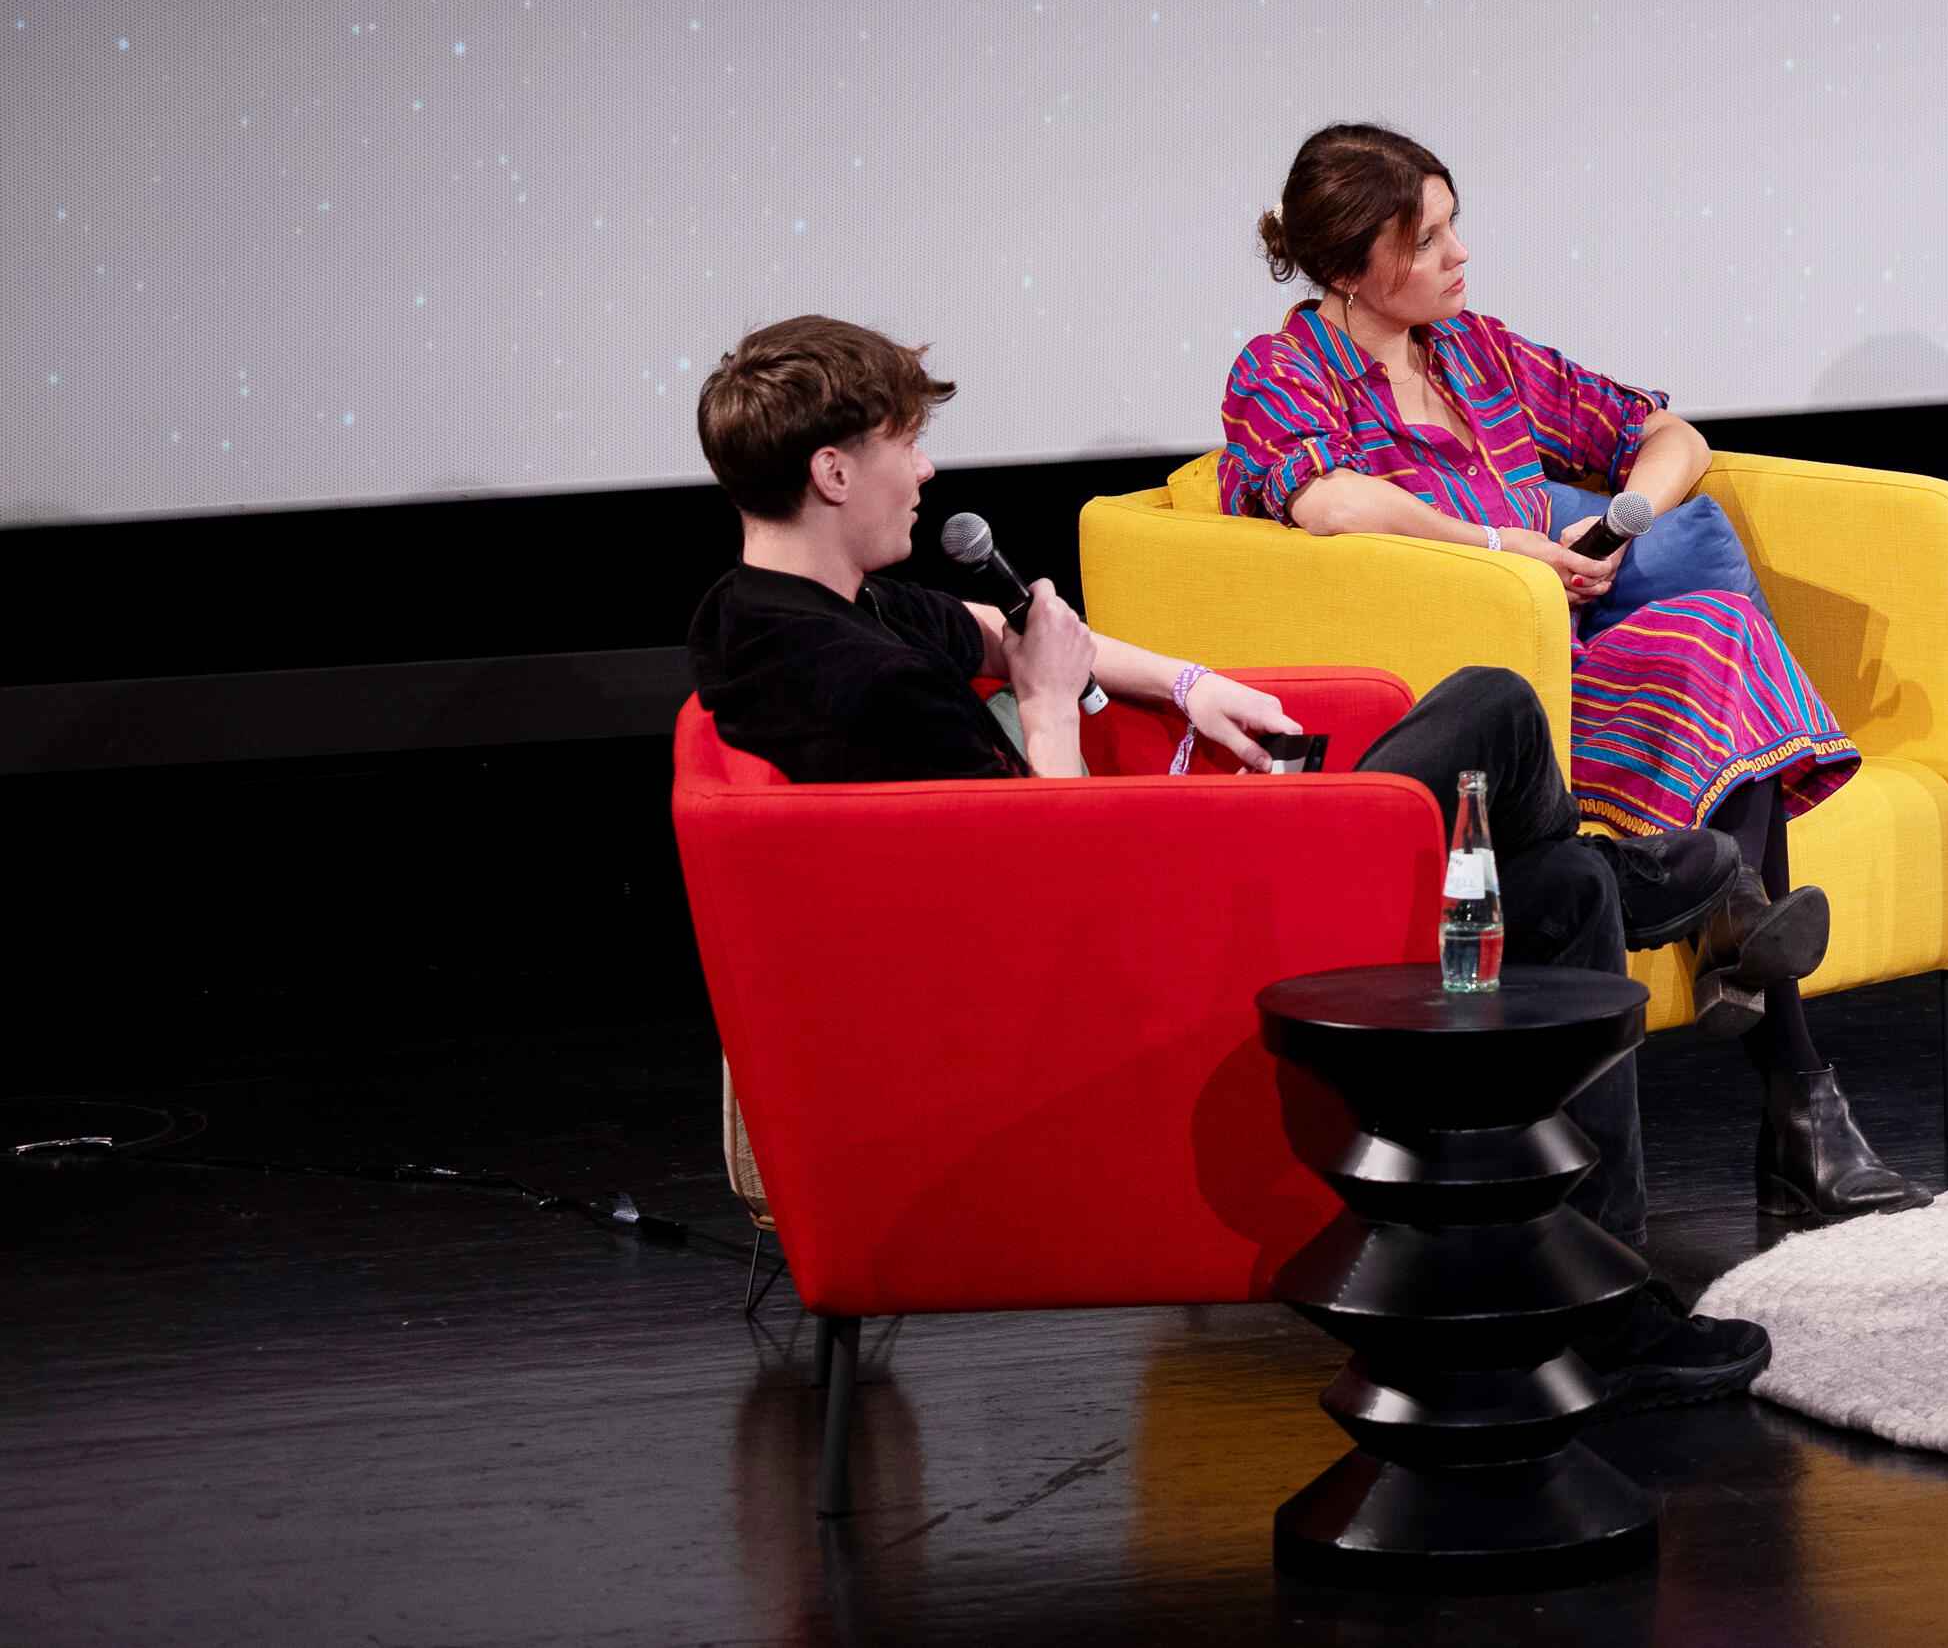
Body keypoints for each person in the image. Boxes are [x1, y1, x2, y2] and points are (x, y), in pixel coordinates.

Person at [684, 313, 1817, 1405]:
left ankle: (1602, 1315)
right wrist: (1045, 717)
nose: (925, 471)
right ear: (835, 473)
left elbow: (1006, 635)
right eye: (903, 445)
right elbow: (1041, 881)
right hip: (1157, 963)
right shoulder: (855, 686)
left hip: (1156, 899)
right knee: (1495, 709)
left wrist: (1192, 686)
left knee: (1556, 894)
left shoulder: (775, 613)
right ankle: (1637, 888)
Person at [1217, 121, 1915, 1218]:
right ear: (1353, 268)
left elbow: (1667, 431)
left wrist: (1625, 521)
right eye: (1429, 236)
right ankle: (1793, 1091)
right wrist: (1506, 548)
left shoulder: (1479, 350)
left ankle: (1731, 925)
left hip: (1572, 653)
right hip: (1471, 712)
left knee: (1716, 625)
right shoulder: (1286, 372)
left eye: (1455, 225)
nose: (1459, 254)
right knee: (1709, 649)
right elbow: (1328, 501)